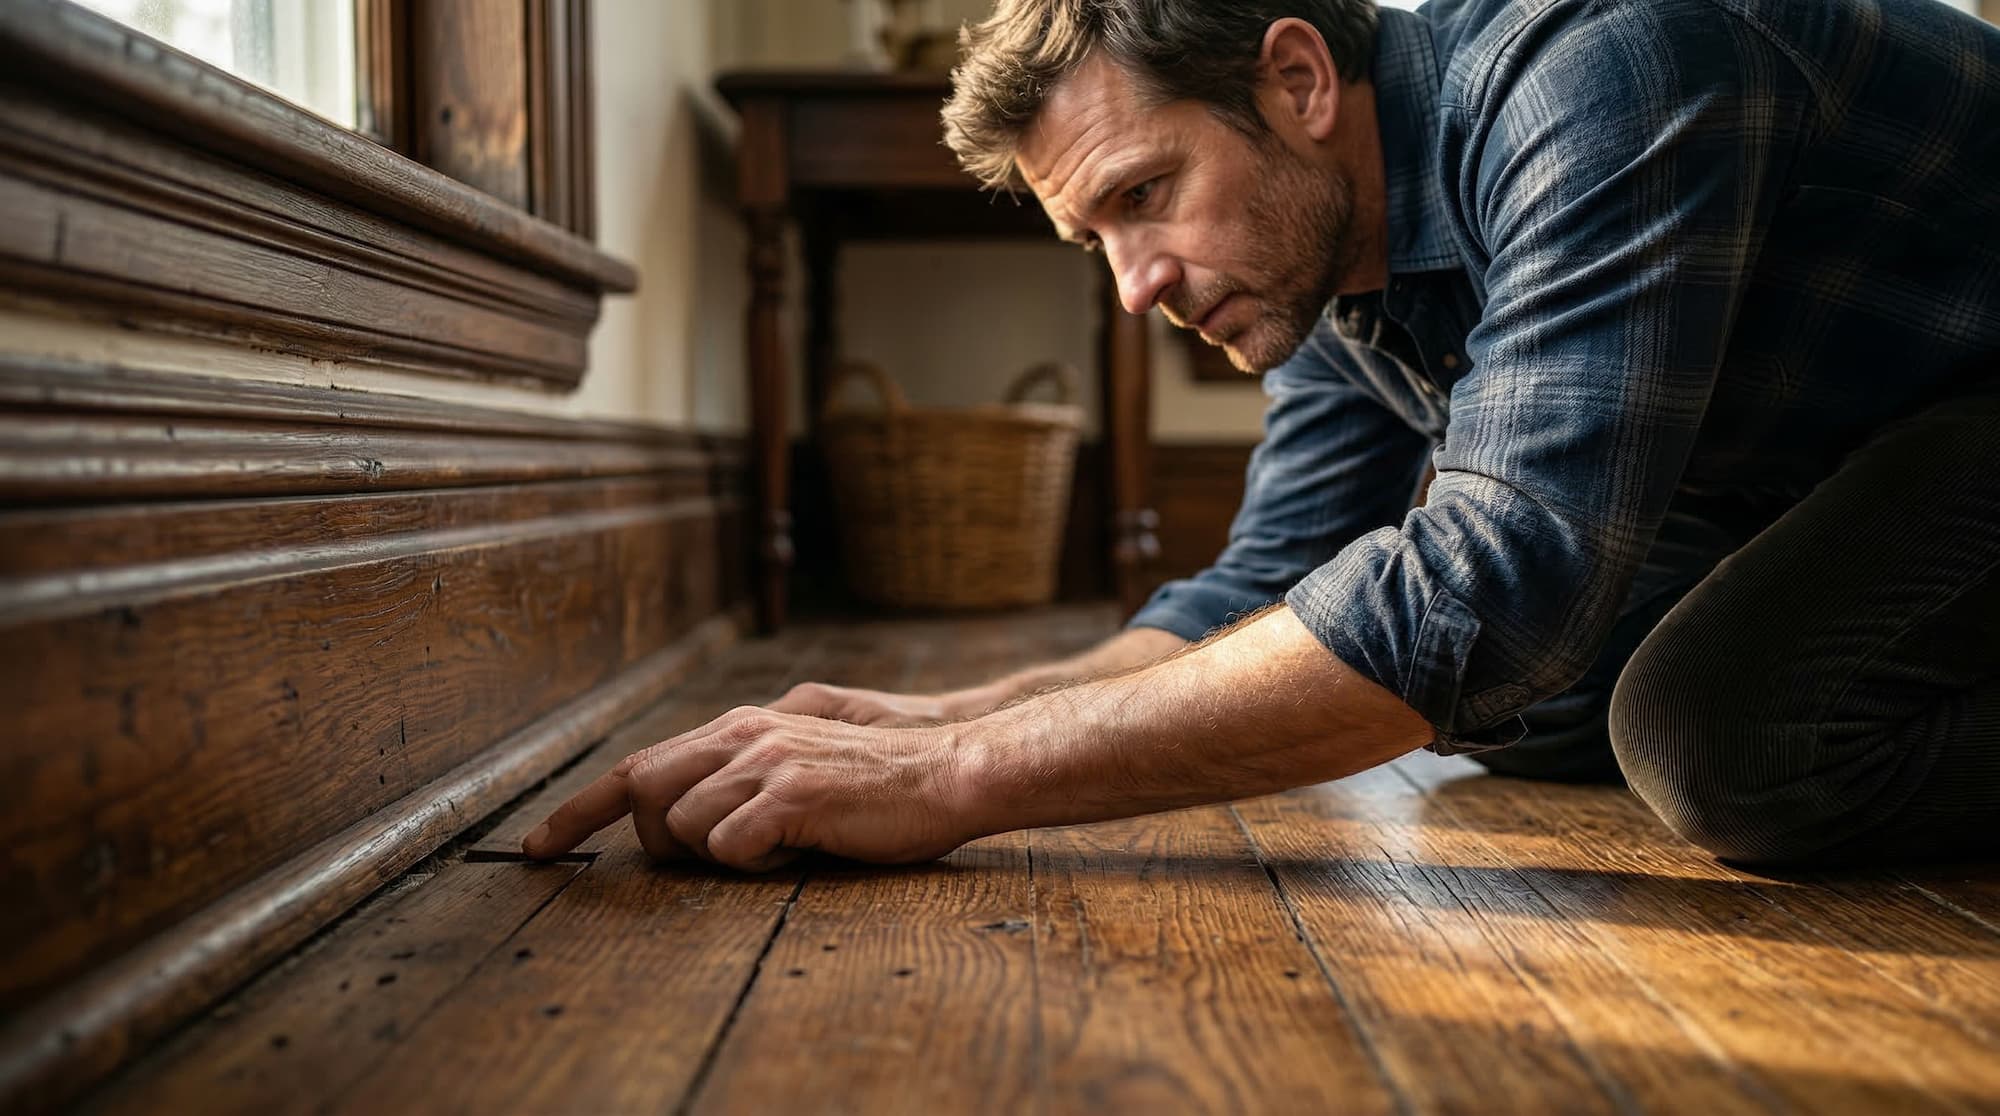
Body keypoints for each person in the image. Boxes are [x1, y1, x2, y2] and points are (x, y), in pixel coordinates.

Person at [523, 0, 2000, 873]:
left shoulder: (1599, 73)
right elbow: (1264, 585)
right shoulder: (1326, 257)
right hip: (1863, 457)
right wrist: (939, 717)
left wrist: (952, 789)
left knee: (1710, 730)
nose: (1136, 284)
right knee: (1536, 711)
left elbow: (1487, 599)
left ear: (1295, 81)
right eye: (1092, 237)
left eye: (1143, 196)